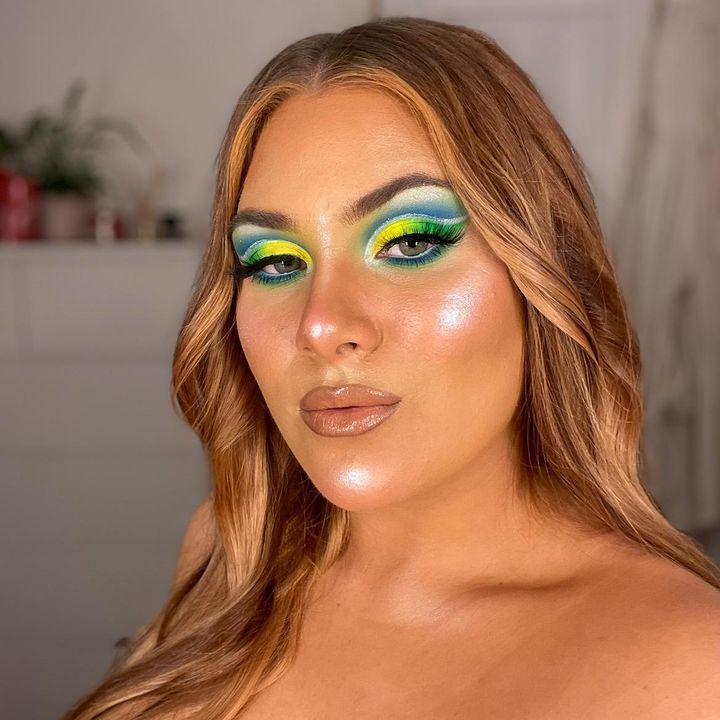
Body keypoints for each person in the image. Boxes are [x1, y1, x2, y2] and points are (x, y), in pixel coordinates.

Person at [63, 15, 720, 720]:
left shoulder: (686, 666)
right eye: (275, 261)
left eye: (409, 243)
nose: (320, 326)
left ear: (542, 275)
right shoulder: (232, 556)